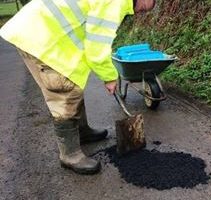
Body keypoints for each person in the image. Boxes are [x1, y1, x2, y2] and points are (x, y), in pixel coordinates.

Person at [0, 0, 155, 175]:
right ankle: (70, 154)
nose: (139, 12)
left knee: (74, 82)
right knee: (64, 91)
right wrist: (109, 77)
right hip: (40, 37)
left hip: (41, 29)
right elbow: (96, 49)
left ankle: (82, 131)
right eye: (144, 8)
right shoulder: (114, 3)